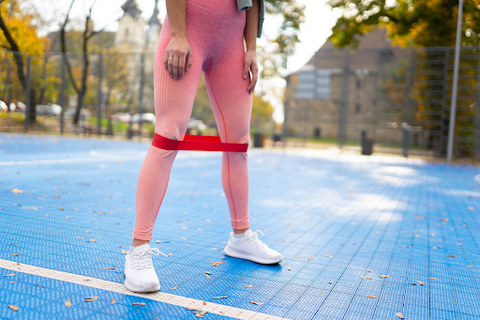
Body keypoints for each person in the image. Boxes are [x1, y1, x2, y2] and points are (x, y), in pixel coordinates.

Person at [124, 0, 283, 293]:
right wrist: (179, 34)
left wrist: (251, 48)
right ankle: (138, 249)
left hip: (233, 43)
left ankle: (241, 236)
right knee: (168, 135)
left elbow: (255, 2)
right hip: (188, 32)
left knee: (238, 144)